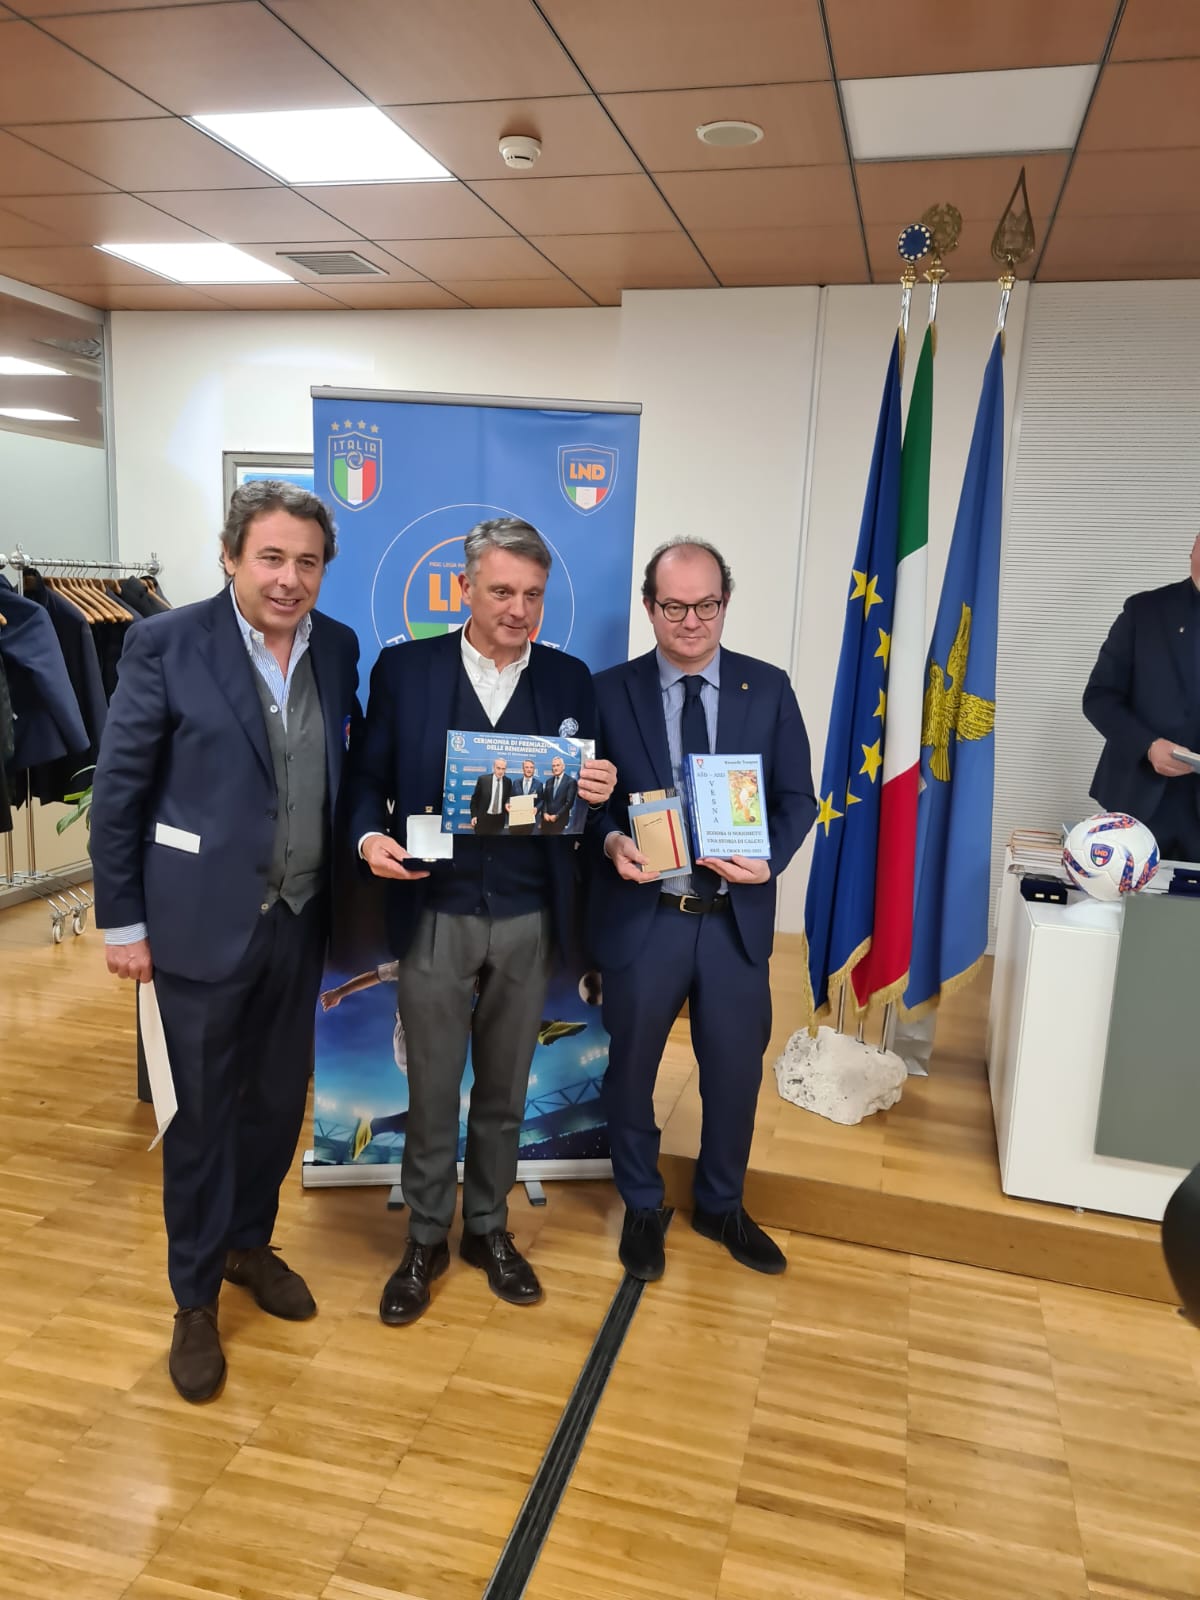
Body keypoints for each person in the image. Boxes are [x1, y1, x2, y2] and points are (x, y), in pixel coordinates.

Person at [89, 480, 361, 1403]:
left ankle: (249, 1244)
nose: (289, 579)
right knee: (201, 1118)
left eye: (307, 562)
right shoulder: (165, 644)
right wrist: (125, 923)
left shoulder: (339, 648)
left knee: (277, 1105)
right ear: (231, 555)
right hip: (196, 926)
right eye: (271, 557)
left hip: (301, 919)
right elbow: (120, 792)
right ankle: (195, 1300)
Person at [347, 516, 616, 1326]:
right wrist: (366, 837)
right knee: (432, 1088)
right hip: (435, 909)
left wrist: (600, 794)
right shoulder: (405, 670)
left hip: (531, 915)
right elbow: (365, 779)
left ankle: (488, 1228)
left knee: (505, 1089)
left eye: (533, 595)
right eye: (501, 591)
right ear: (463, 588)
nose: (518, 610)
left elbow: (589, 805)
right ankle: (426, 1236)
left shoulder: (570, 679)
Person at [589, 538, 817, 1282]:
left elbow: (797, 799)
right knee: (630, 1072)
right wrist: (611, 838)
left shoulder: (768, 688)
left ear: (726, 602)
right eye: (675, 606)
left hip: (733, 919)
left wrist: (769, 858)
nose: (692, 621)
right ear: (649, 607)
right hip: (646, 914)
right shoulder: (606, 692)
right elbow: (586, 803)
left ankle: (721, 1205)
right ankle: (642, 1203)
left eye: (707, 605)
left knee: (734, 1074)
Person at [1084, 533, 1200, 860]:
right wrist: (1148, 745)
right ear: (1194, 545)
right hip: (1139, 797)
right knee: (1126, 894)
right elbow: (1099, 697)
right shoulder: (1144, 610)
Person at [470, 756, 512, 835]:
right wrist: (474, 815)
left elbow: (508, 798)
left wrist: (508, 803)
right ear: (493, 768)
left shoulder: (508, 782)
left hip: (499, 820)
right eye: (498, 768)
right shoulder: (483, 780)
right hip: (483, 819)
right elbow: (474, 799)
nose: (501, 771)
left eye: (503, 769)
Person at [538, 753, 579, 834]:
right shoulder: (549, 781)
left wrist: (557, 815)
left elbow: (569, 803)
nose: (555, 768)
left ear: (563, 767)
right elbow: (545, 800)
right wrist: (545, 813)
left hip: (560, 822)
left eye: (558, 765)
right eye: (553, 766)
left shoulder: (571, 782)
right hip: (546, 821)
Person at [507, 757, 543, 835]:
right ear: (523, 769)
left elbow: (541, 800)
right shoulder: (516, 782)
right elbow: (510, 798)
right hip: (516, 821)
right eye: (526, 767)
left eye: (531, 767)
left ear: (534, 769)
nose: (529, 769)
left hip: (530, 821)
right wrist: (508, 804)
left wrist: (537, 808)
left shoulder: (539, 784)